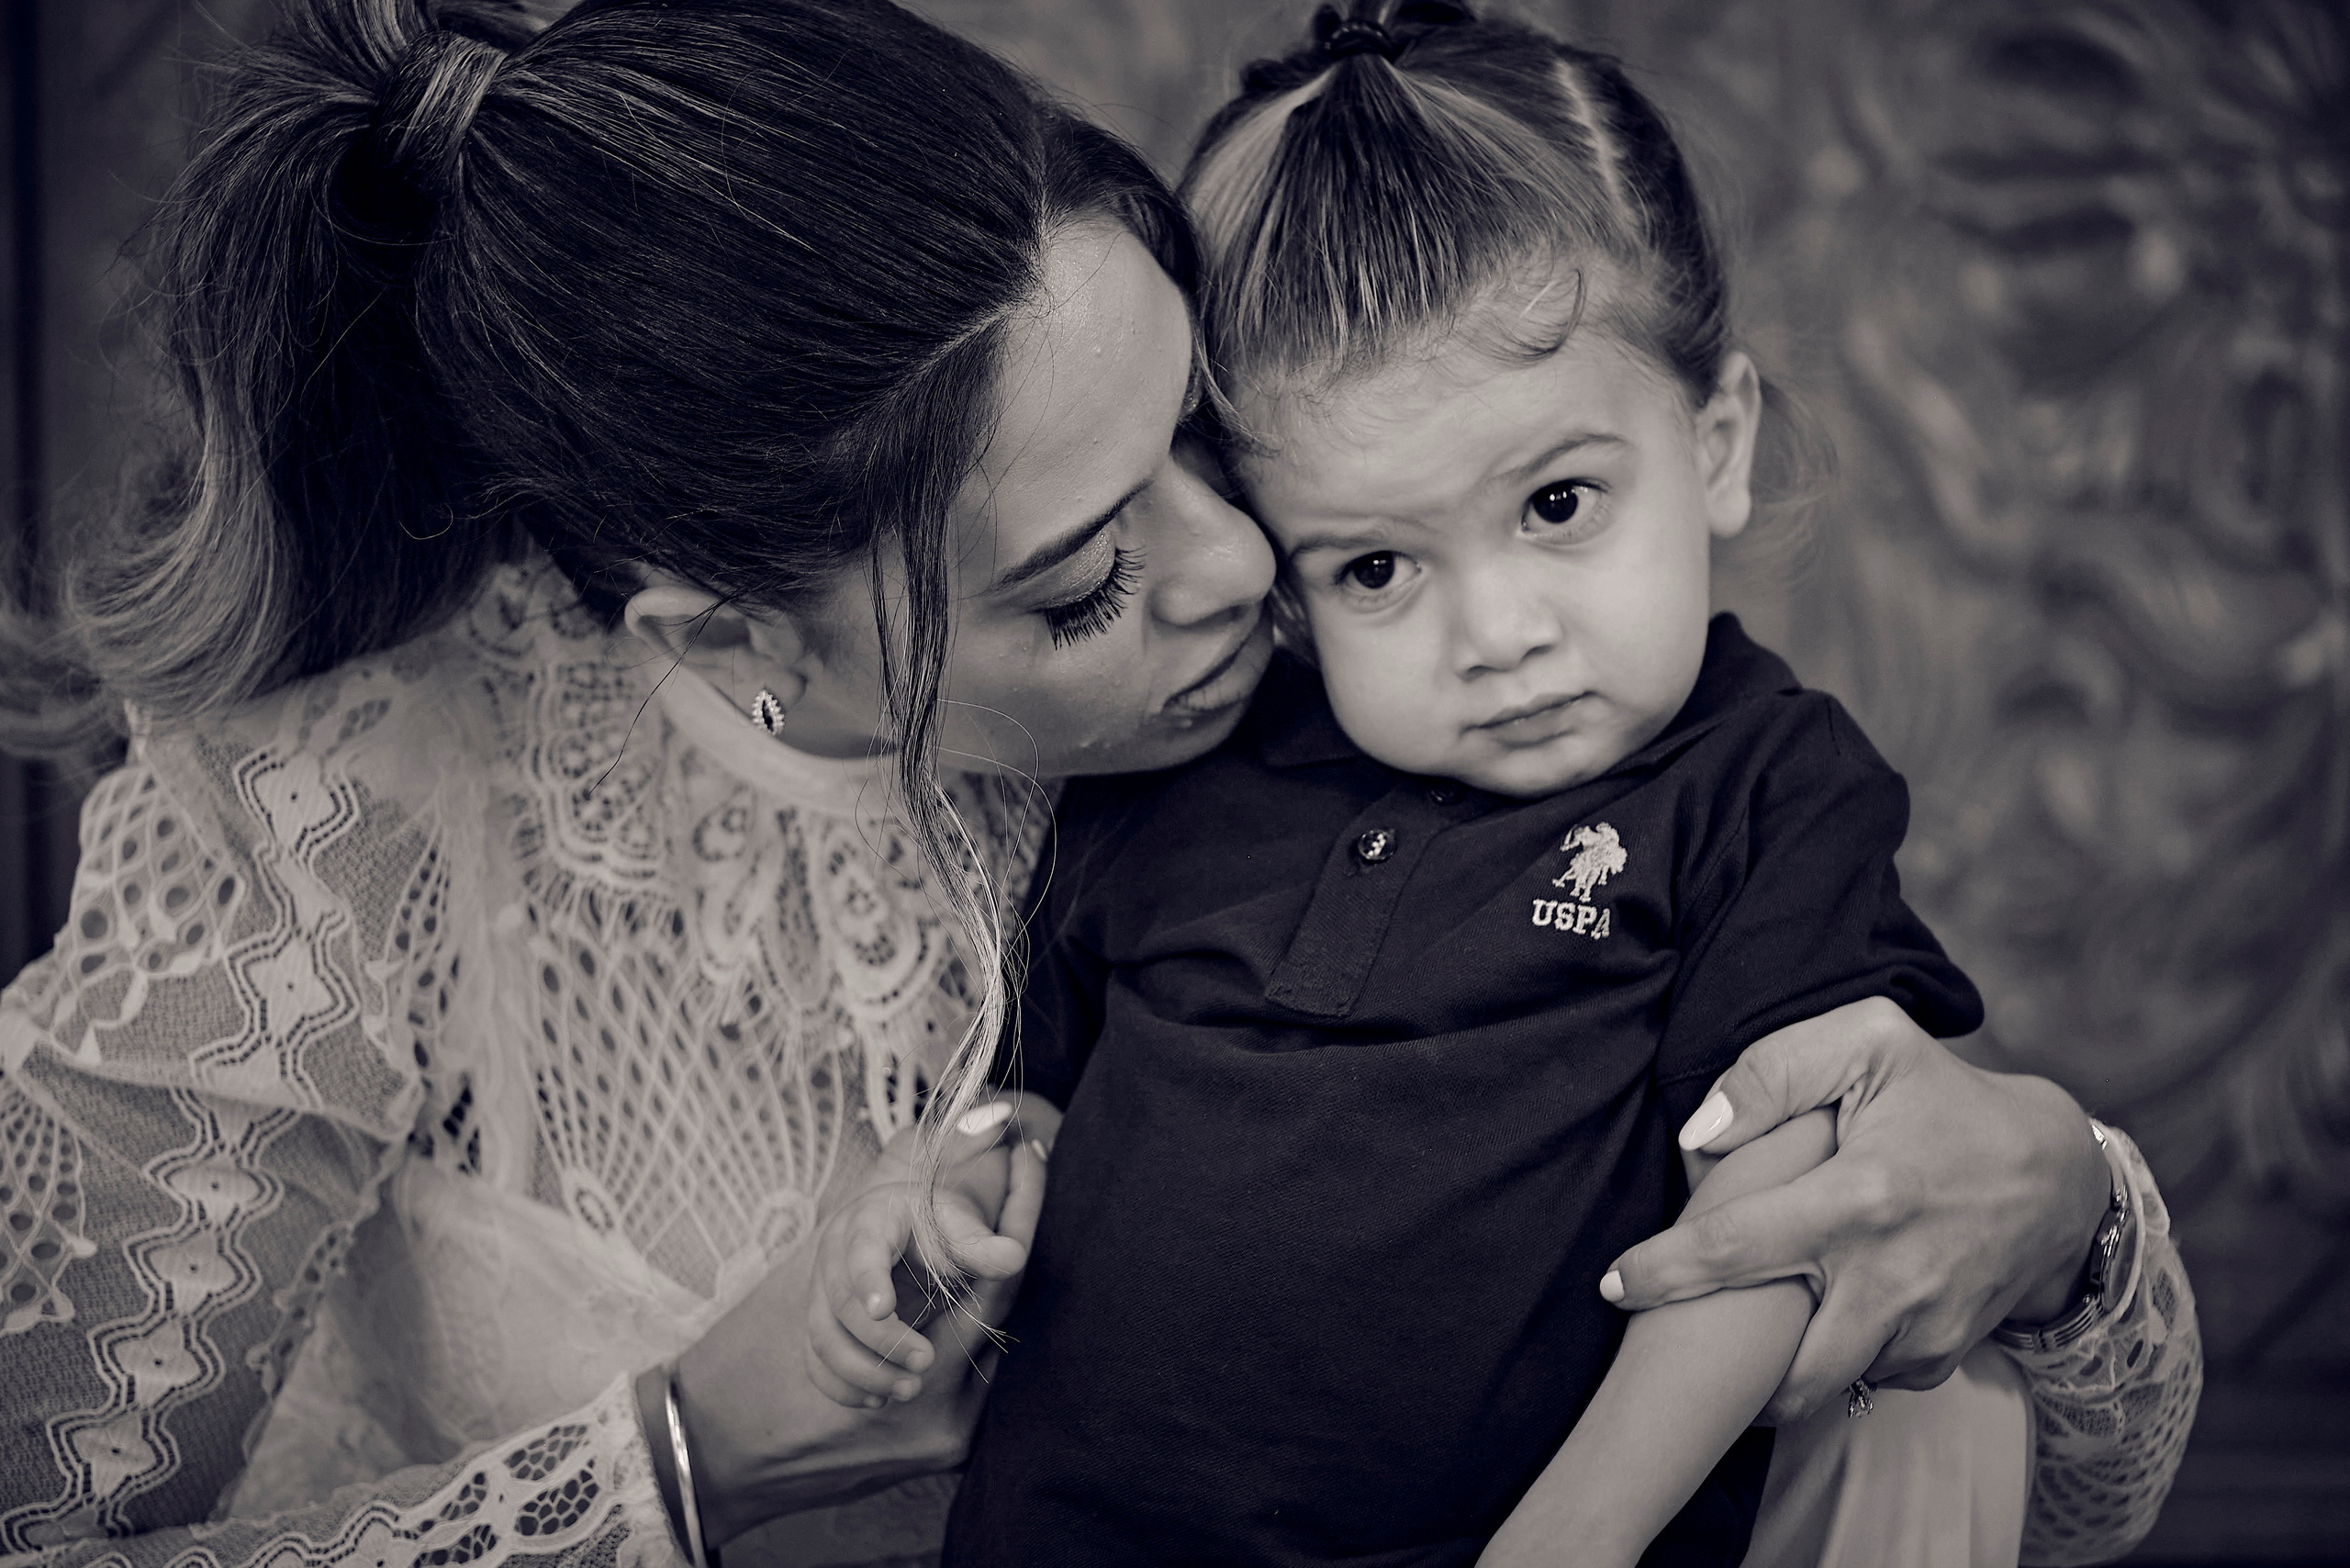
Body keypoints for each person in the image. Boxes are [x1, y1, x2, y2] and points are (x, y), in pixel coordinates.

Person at [0, 0, 2191, 1566]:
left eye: (1202, 445)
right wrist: (673, 1460)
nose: (1245, 577)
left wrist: (2054, 1213)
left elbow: (2019, 1473)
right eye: (1076, 582)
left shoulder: (1383, 693)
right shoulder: (314, 843)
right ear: (728, 637)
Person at [828, 6, 2199, 1567]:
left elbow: (1780, 1217)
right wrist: (951, 1179)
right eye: (1377, 566)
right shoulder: (1184, 770)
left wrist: (1579, 1536)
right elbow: (1040, 1104)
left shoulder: (1761, 788)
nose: (1498, 634)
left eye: (1558, 503)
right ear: (1285, 581)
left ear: (1718, 442)